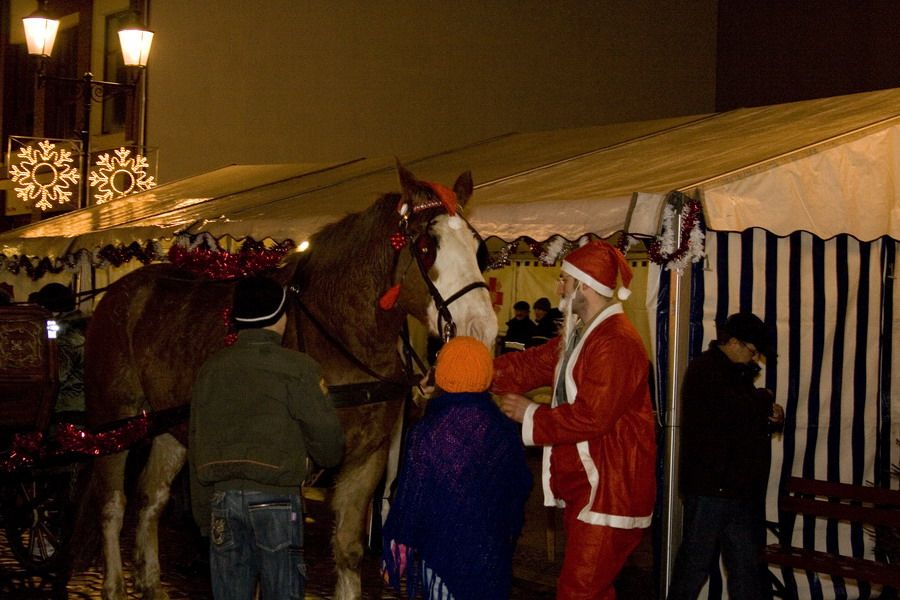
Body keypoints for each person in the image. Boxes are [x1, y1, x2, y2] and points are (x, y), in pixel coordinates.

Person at [493, 240, 656, 600]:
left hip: (609, 487)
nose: (558, 287)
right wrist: (470, 369)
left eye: (564, 279)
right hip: (586, 484)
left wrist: (529, 413)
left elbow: (592, 416)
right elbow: (529, 365)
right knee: (589, 589)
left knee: (580, 591)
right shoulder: (580, 332)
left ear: (584, 285)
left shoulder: (615, 342)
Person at [189, 275, 345, 600]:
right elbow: (329, 444)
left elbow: (197, 443)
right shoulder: (299, 368)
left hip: (223, 501)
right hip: (276, 499)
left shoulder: (211, 369)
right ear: (280, 317)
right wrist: (315, 458)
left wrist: (204, 515)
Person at [382, 336, 532, 600]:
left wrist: (398, 553)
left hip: (441, 554)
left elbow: (412, 500)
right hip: (491, 555)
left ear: (442, 375)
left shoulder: (426, 432)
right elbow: (519, 487)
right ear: (486, 375)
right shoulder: (506, 431)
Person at [666, 312, 784, 600]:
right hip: (711, 489)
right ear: (732, 342)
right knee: (696, 566)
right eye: (753, 351)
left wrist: (769, 418)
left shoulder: (732, 373)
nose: (755, 359)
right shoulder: (706, 371)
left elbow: (742, 418)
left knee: (744, 570)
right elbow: (733, 412)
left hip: (734, 489)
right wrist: (765, 398)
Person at [29, 282, 88, 419]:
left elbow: (57, 375)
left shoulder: (67, 338)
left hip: (67, 409)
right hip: (71, 406)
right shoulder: (72, 328)